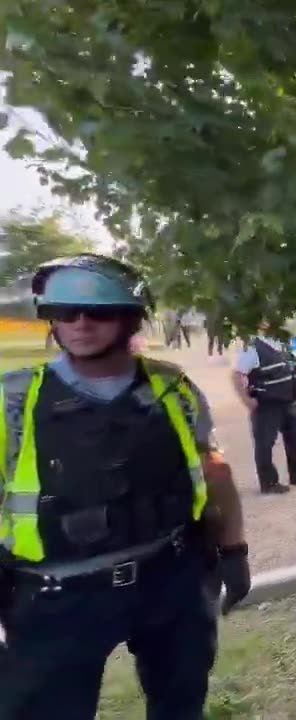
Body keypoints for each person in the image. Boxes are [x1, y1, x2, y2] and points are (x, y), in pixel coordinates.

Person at [0, 253, 251, 719]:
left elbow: (214, 470)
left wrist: (233, 551)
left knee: (180, 706)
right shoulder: (14, 398)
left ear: (130, 317)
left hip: (170, 579)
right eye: (63, 313)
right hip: (58, 597)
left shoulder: (171, 388)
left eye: (99, 312)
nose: (80, 324)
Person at [231, 323, 296, 494]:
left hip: (290, 400)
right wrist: (246, 400)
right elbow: (236, 374)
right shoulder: (252, 347)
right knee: (265, 444)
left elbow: (293, 367)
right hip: (267, 404)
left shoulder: (285, 342)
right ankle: (269, 483)